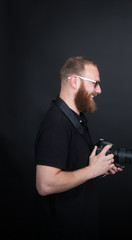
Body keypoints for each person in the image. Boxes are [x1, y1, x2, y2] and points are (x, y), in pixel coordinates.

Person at [34, 56, 122, 239]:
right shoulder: (56, 123)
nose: (99, 90)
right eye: (95, 83)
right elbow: (45, 184)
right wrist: (92, 170)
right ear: (74, 81)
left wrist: (99, 168)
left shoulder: (76, 119)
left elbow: (76, 169)